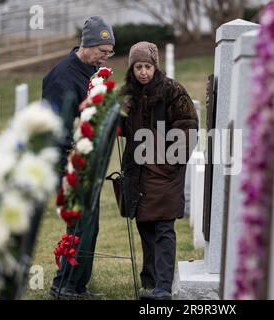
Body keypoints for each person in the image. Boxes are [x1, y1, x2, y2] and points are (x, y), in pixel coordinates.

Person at [42, 16, 115, 300]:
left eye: (109, 53)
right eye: (102, 51)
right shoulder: (61, 76)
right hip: (67, 160)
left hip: (87, 160)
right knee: (80, 221)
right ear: (87, 45)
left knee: (90, 223)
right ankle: (63, 285)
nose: (105, 57)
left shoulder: (91, 71)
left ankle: (78, 286)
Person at [119, 41, 199, 300]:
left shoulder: (173, 91)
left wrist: (167, 162)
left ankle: (163, 287)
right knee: (145, 225)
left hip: (165, 172)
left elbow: (188, 128)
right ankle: (151, 279)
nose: (143, 72)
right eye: (138, 67)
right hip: (138, 172)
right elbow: (125, 130)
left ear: (156, 66)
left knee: (164, 227)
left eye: (147, 66)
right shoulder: (129, 95)